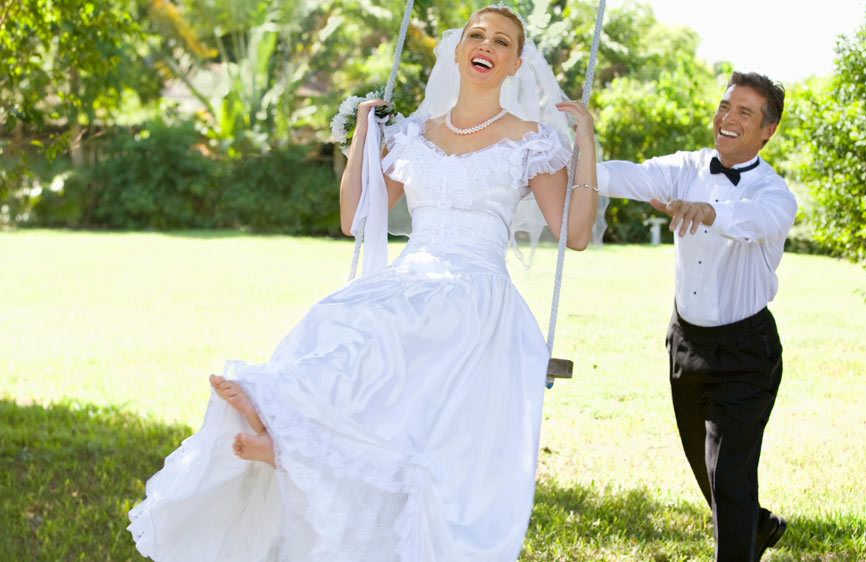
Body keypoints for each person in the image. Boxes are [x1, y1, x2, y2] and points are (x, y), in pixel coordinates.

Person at [127, 6, 599, 561]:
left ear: (516, 63)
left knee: (412, 376)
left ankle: (292, 450)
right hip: (413, 273)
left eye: (502, 42)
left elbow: (577, 232)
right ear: (457, 50)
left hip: (476, 291)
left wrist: (584, 139)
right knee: (345, 324)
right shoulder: (416, 135)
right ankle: (284, 430)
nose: (487, 47)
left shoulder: (531, 140)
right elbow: (358, 219)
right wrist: (363, 140)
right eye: (477, 35)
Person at [595, 72, 796, 561]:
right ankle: (759, 525)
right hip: (685, 340)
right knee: (706, 467)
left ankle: (740, 543)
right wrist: (572, 155)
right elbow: (626, 175)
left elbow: (756, 222)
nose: (727, 118)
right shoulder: (685, 166)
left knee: (729, 474)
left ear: (767, 130)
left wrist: (709, 212)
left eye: (744, 112)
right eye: (725, 106)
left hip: (746, 350)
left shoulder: (775, 193)